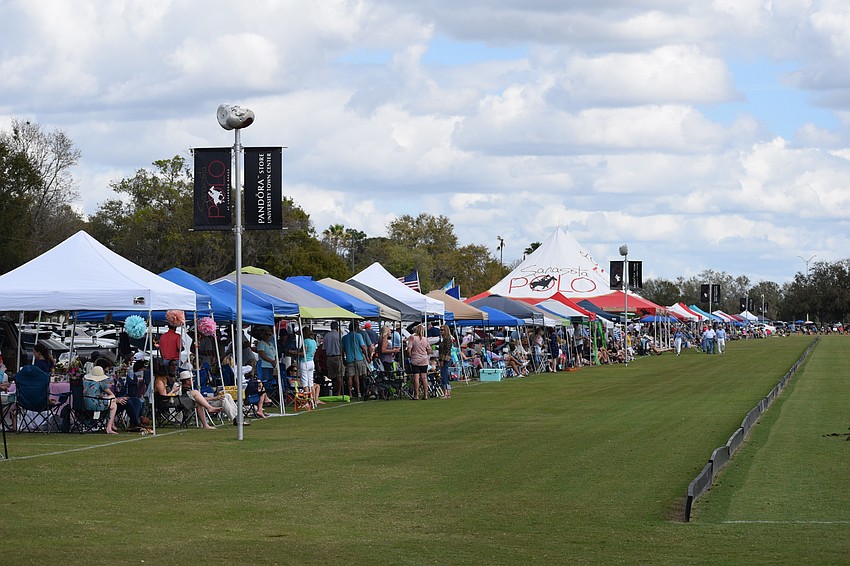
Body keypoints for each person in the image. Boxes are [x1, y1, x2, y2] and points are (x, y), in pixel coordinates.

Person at [83, 365, 119, 435]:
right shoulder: (101, 383)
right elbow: (112, 395)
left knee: (111, 401)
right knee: (113, 404)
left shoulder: (85, 382)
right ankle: (109, 427)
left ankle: (111, 425)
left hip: (84, 404)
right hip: (94, 404)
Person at [114, 359, 148, 432]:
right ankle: (136, 423)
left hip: (119, 398)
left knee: (136, 400)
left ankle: (133, 424)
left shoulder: (126, 378)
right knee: (128, 401)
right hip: (111, 401)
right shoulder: (108, 381)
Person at [341, 321, 368, 399]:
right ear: (356, 327)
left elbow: (342, 350)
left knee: (350, 376)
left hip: (349, 359)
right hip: (359, 358)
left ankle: (350, 393)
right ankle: (359, 391)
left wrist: (343, 359)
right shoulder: (358, 336)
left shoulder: (345, 338)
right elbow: (363, 347)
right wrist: (367, 356)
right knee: (360, 375)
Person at [407, 324, 431, 400]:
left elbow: (409, 349)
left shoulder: (412, 338)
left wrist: (410, 355)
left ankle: (416, 395)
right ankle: (425, 395)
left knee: (416, 377)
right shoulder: (425, 339)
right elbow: (429, 350)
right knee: (424, 377)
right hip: (424, 359)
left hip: (415, 359)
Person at [299, 327, 321, 405]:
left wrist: (295, 352)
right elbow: (314, 352)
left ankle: (308, 400)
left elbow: (303, 353)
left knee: (305, 382)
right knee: (311, 382)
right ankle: (314, 400)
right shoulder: (314, 341)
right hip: (311, 361)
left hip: (305, 362)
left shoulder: (305, 341)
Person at [323, 321, 344, 396]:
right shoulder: (339, 335)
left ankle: (332, 390)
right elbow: (342, 347)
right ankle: (338, 392)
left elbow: (324, 348)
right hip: (337, 356)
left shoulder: (326, 336)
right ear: (337, 327)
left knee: (331, 376)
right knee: (339, 375)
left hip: (329, 357)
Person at [437, 324, 454, 399]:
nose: (441, 331)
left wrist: (442, 360)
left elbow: (446, 351)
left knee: (444, 376)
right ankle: (447, 392)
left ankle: (446, 393)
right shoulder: (443, 339)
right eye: (440, 330)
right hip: (444, 358)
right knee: (444, 375)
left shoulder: (447, 339)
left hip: (445, 359)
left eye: (442, 330)